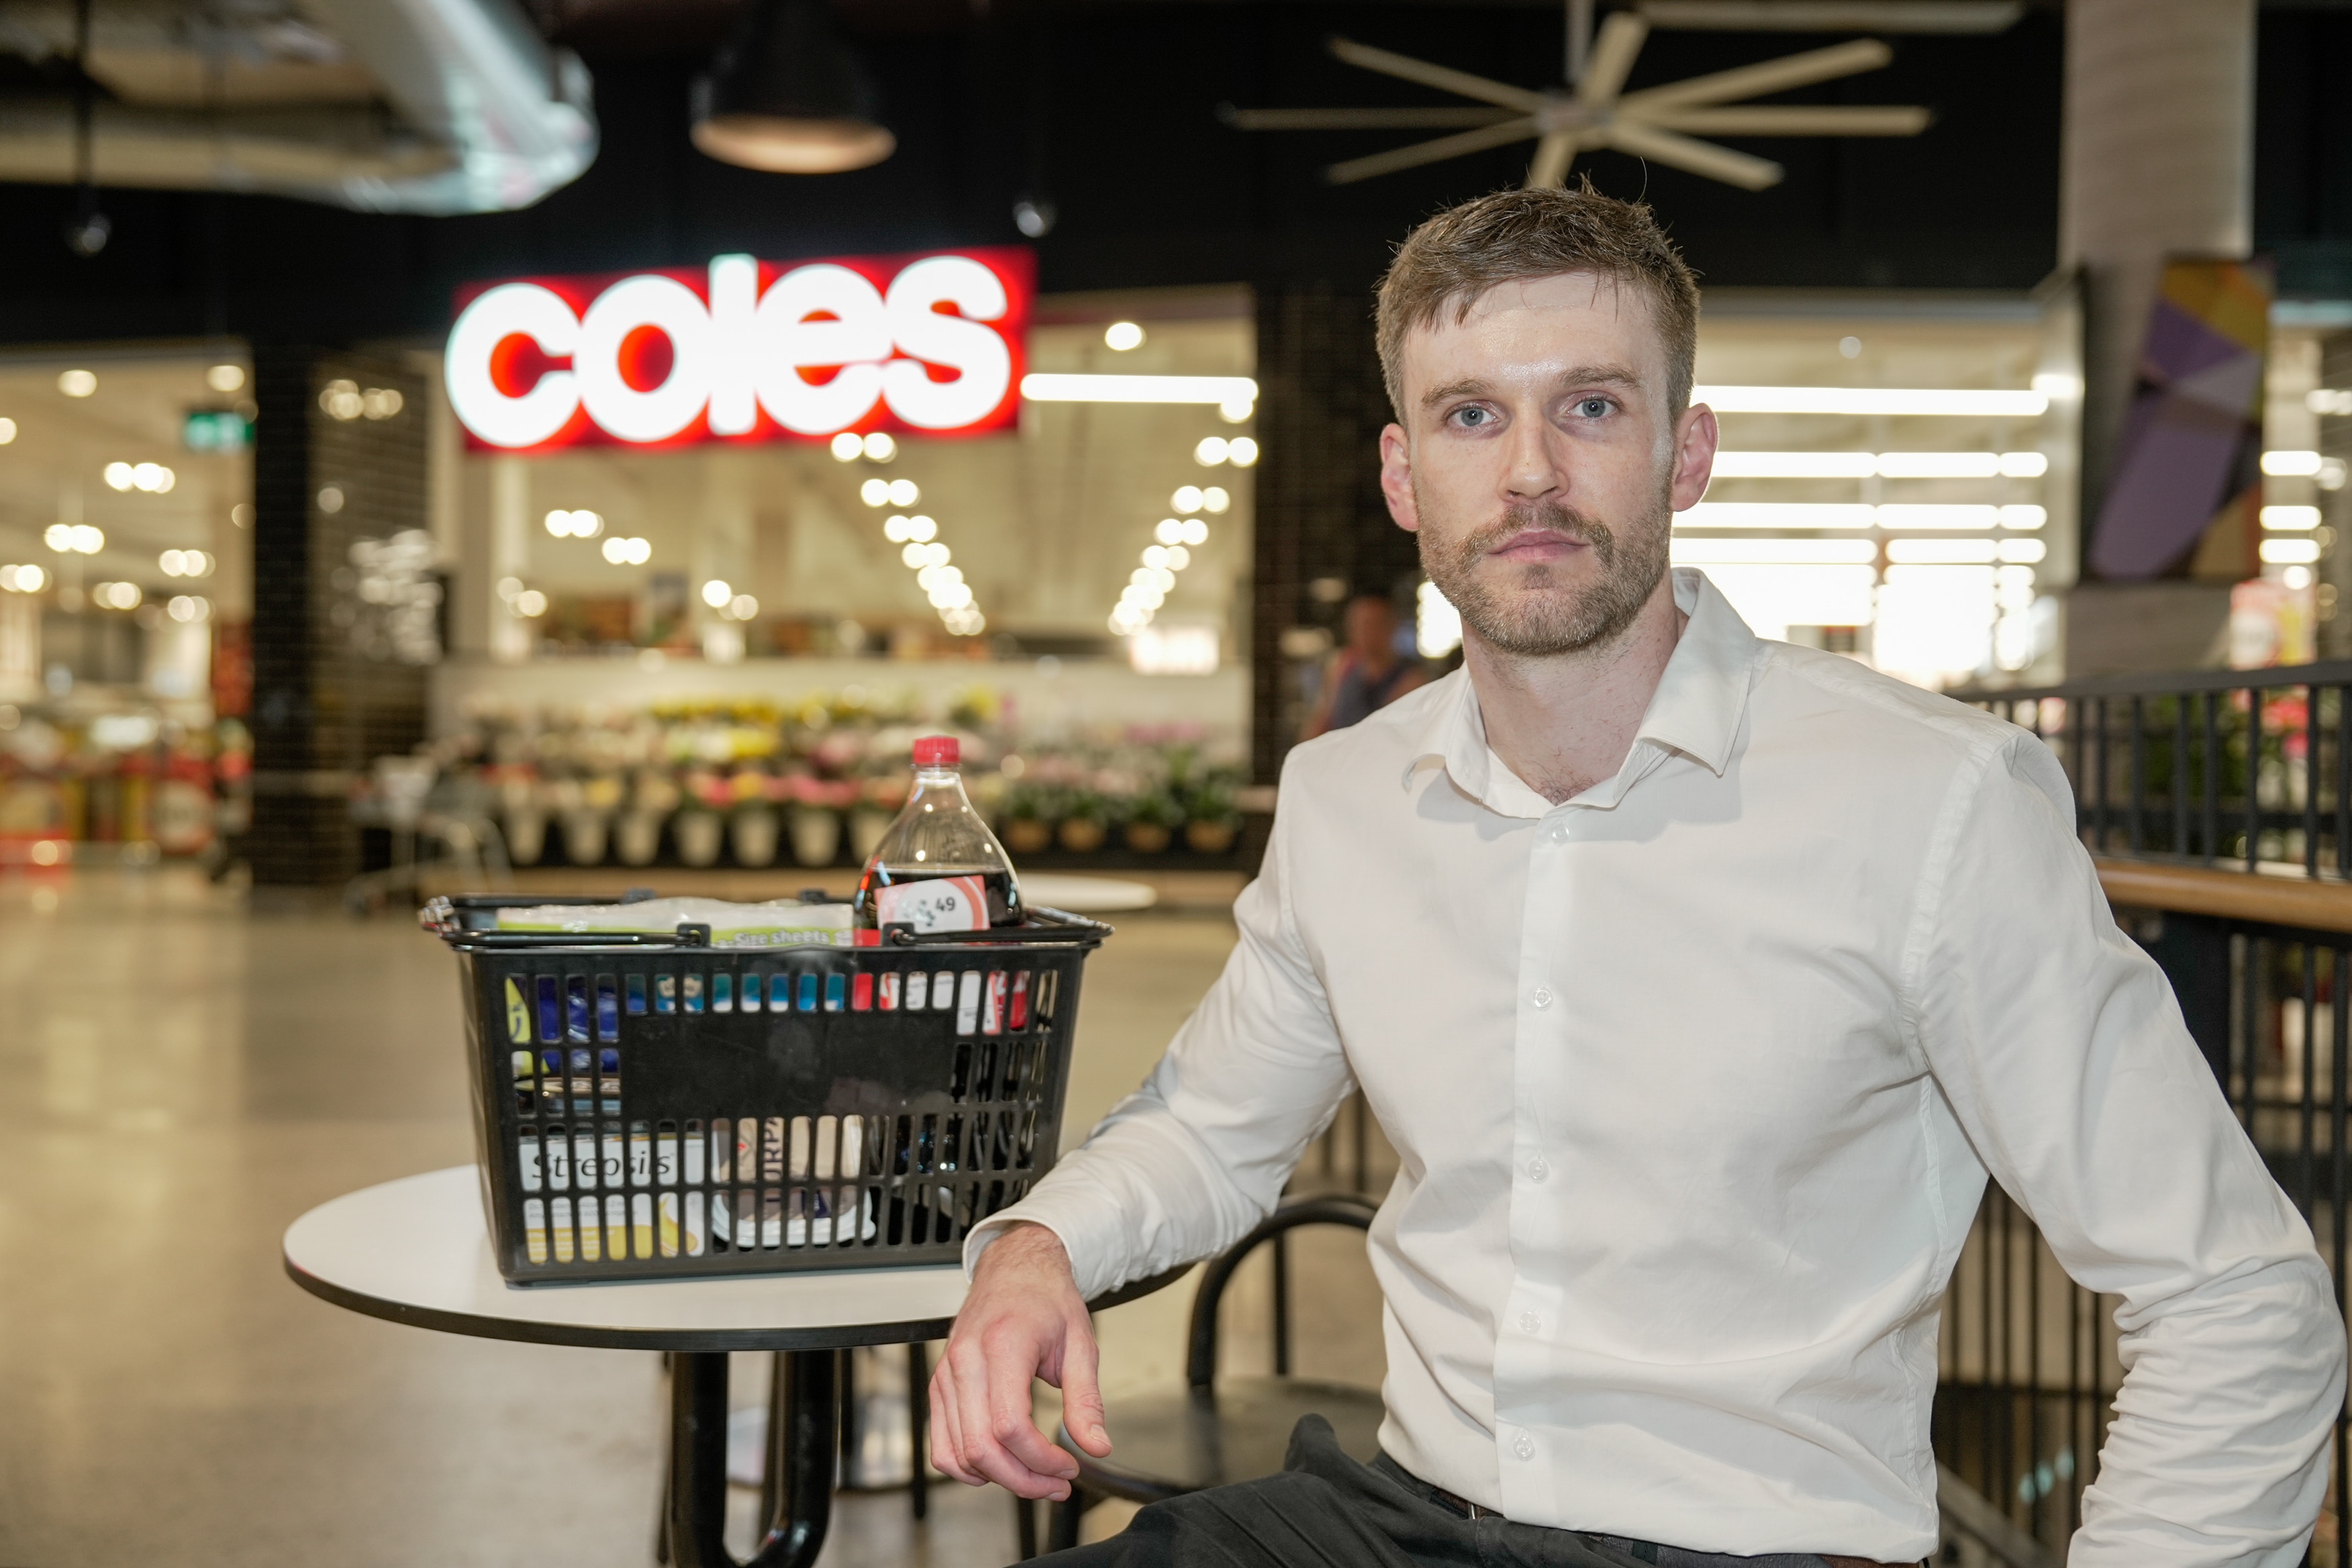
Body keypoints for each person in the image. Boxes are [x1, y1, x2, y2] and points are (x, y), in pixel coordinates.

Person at [930, 185, 2345, 1567]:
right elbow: (1212, 1129)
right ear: (1400, 472)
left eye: (1592, 407)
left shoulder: (1930, 800)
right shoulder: (1348, 798)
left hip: (1761, 1539)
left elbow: (2235, 1293)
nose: (1530, 471)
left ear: (1687, 454)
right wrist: (1039, 1237)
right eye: (1471, 414)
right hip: (1408, 1513)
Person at [1302, 593, 1429, 738]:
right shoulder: (1342, 669)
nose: (1366, 633)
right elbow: (1320, 722)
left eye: (1373, 624)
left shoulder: (1411, 681)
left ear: (1391, 626)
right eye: (1359, 624)